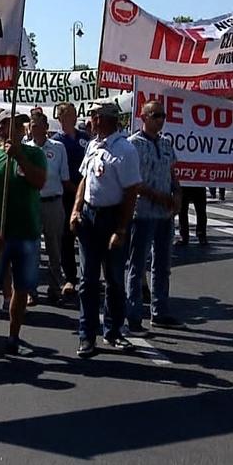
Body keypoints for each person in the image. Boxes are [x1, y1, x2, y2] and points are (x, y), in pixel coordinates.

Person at [0, 110, 47, 359]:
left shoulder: (35, 153)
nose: (18, 129)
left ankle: (14, 337)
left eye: (20, 125)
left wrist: (20, 158)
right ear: (2, 129)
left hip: (27, 234)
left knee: (22, 287)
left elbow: (39, 182)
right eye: (12, 125)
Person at [70, 102, 141, 357]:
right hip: (89, 216)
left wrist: (121, 228)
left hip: (112, 216)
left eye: (93, 116)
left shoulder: (124, 150)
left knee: (113, 280)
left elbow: (131, 192)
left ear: (103, 119)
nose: (90, 120)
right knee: (87, 281)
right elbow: (84, 180)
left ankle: (113, 331)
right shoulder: (93, 145)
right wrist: (76, 209)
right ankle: (86, 335)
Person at [126, 100, 183, 331]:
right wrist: (158, 196)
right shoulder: (133, 145)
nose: (161, 120)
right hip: (142, 212)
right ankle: (133, 314)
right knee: (137, 265)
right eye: (156, 115)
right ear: (144, 117)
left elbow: (172, 173)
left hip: (165, 214)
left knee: (162, 264)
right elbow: (133, 181)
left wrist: (177, 193)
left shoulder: (167, 143)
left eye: (163, 116)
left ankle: (160, 310)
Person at [24, 111, 70, 304]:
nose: (33, 129)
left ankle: (55, 287)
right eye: (31, 126)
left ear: (46, 128)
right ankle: (30, 290)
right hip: (32, 203)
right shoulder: (25, 148)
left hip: (53, 202)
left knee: (54, 249)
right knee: (32, 250)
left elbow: (64, 177)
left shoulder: (58, 148)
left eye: (36, 125)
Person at [52, 102, 91, 300]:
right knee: (67, 238)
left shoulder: (85, 138)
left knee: (88, 237)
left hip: (87, 195)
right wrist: (76, 192)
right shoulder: (56, 141)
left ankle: (88, 276)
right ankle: (70, 277)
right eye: (67, 115)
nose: (72, 118)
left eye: (74, 114)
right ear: (60, 118)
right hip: (67, 195)